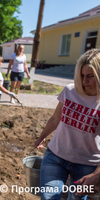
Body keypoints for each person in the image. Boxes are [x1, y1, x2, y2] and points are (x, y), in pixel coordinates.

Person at [34, 49, 100, 200]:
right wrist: (41, 138)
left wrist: (96, 174)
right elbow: (55, 119)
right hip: (56, 156)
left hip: (86, 165)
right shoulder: (70, 91)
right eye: (81, 76)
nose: (84, 81)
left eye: (90, 76)